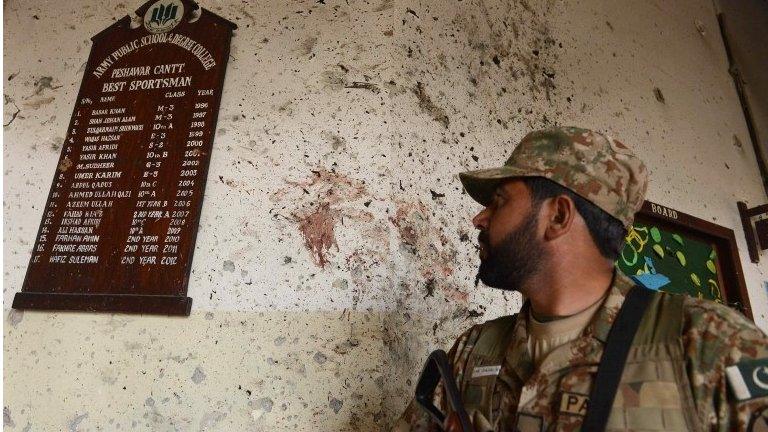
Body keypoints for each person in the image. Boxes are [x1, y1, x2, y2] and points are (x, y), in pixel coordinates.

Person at [392, 126, 768, 431]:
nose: (480, 218)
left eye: (500, 201)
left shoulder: (710, 345)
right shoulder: (472, 353)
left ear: (558, 217)